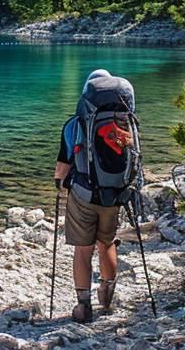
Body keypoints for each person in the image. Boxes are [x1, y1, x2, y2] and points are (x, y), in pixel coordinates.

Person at [53, 69, 135, 323]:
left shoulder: (75, 124)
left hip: (83, 194)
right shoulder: (126, 124)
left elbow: (63, 166)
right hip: (114, 195)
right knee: (107, 242)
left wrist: (59, 184)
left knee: (83, 248)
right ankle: (107, 293)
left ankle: (83, 305)